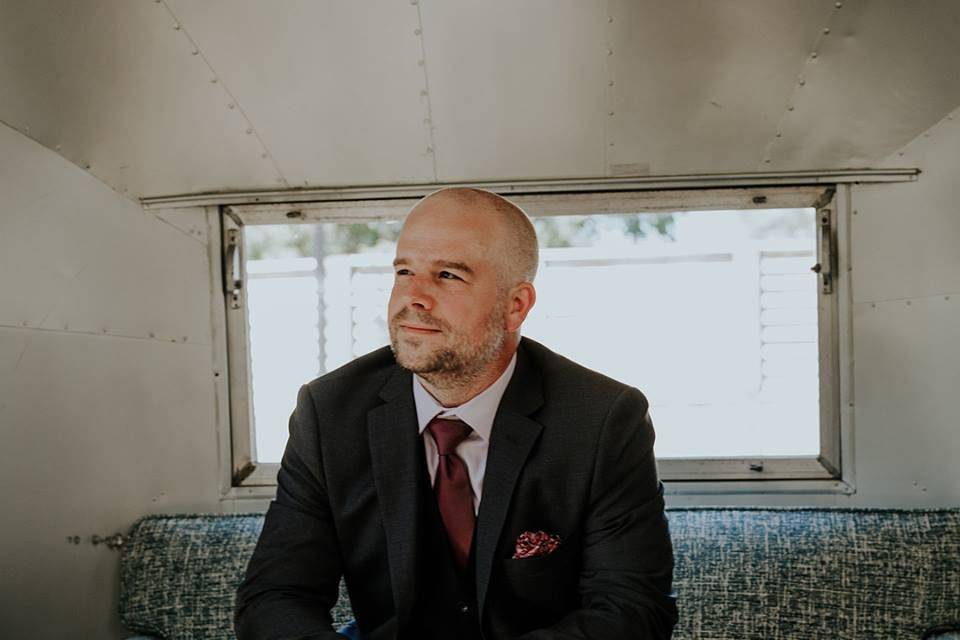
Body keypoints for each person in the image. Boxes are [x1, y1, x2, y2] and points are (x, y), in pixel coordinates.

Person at [234, 187, 677, 639]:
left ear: (515, 306)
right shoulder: (329, 412)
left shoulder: (602, 418)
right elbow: (275, 596)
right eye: (404, 271)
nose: (414, 297)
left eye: (447, 275)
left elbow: (632, 609)